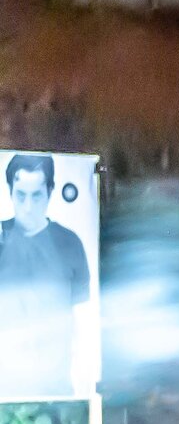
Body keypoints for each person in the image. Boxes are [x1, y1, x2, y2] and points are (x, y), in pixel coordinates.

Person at [0, 154, 94, 400]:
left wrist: (85, 376)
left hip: (56, 390)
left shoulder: (69, 243)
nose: (28, 207)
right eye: (21, 195)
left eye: (36, 195)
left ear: (50, 191)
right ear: (9, 190)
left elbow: (83, 317)